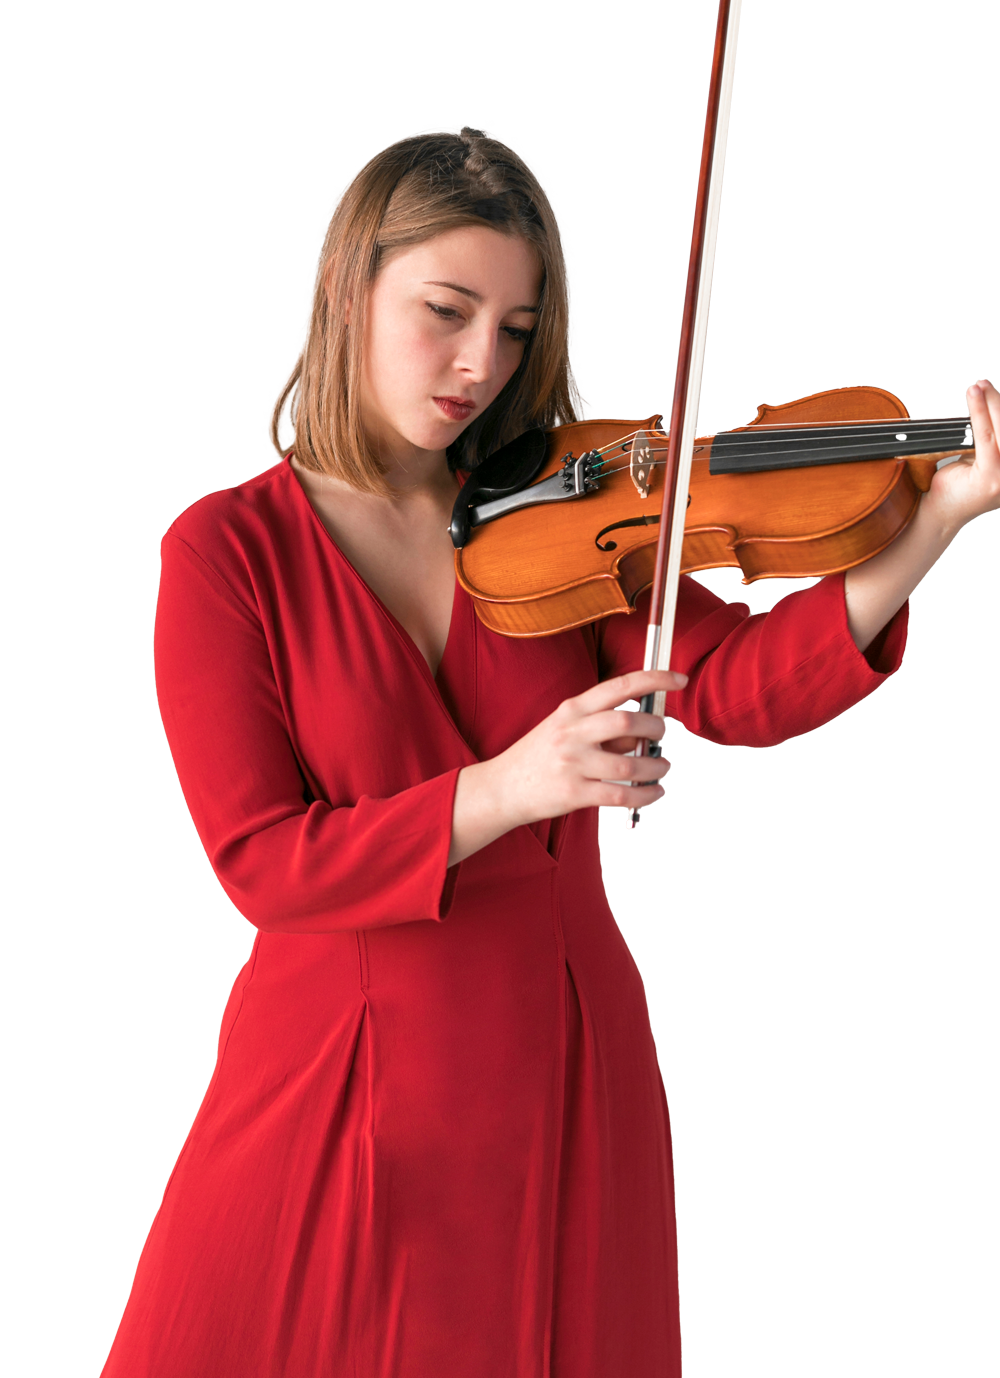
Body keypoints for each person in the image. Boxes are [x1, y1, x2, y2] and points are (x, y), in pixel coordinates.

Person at [103, 128, 1000, 1378]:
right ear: (347, 287)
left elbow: (737, 688)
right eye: (446, 311)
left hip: (559, 1052)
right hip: (333, 1066)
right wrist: (506, 788)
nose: (481, 363)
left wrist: (933, 523)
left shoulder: (568, 508)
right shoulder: (227, 553)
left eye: (516, 330)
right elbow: (263, 861)